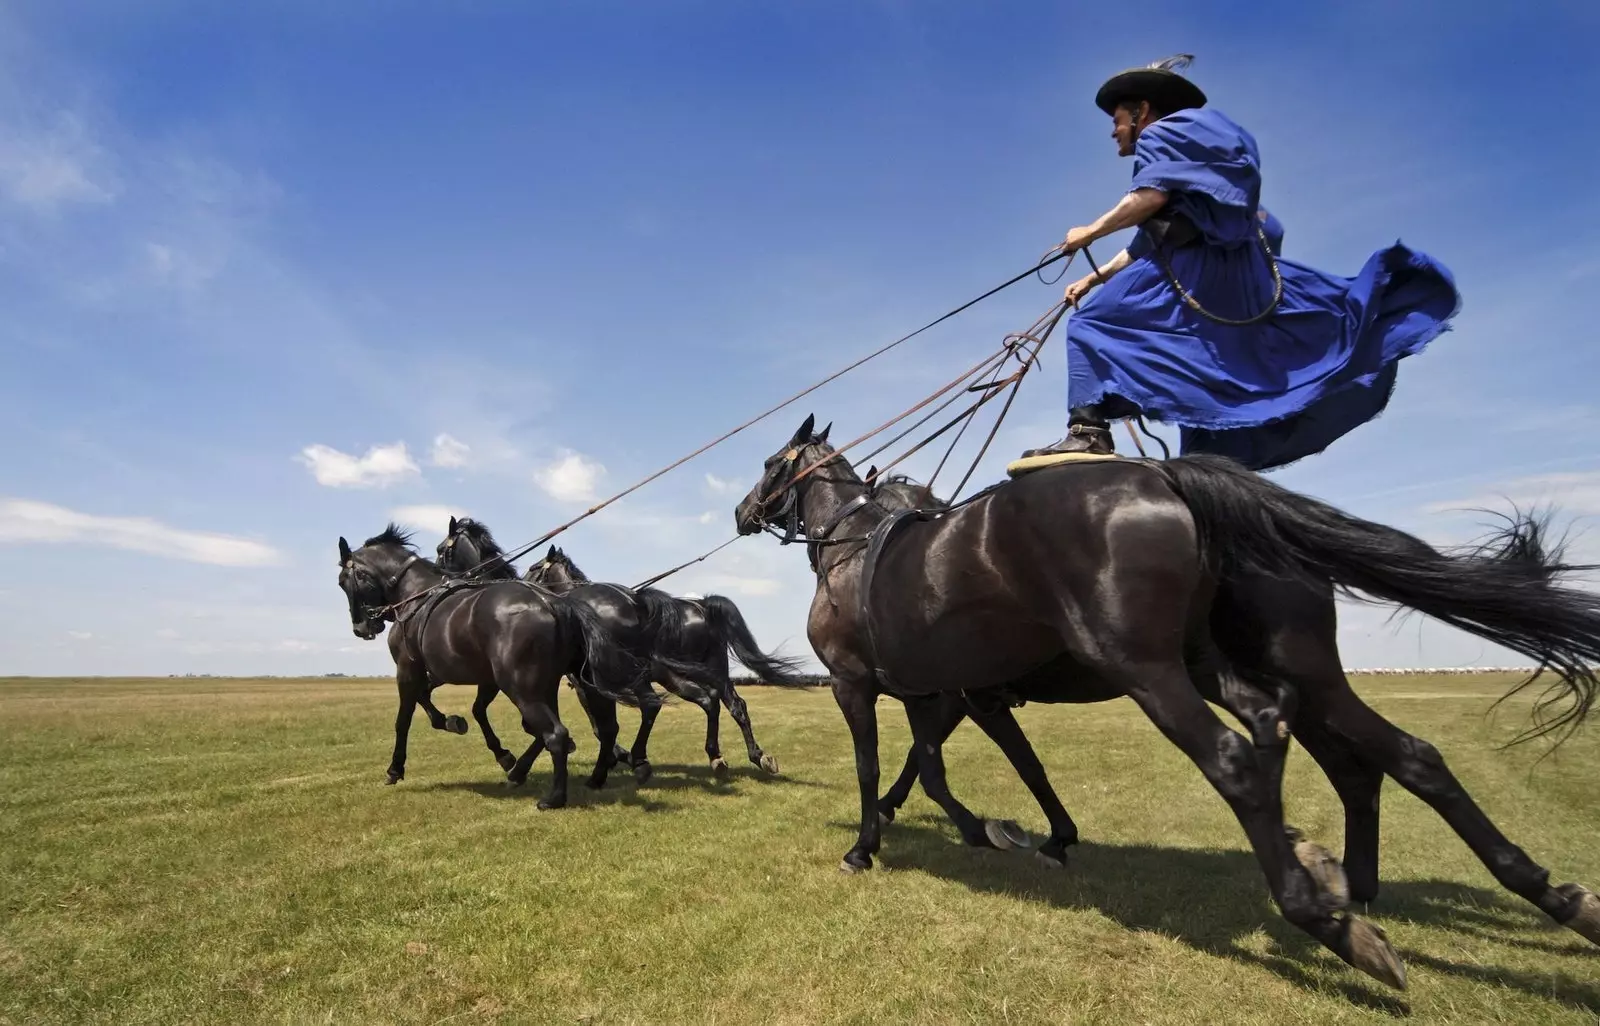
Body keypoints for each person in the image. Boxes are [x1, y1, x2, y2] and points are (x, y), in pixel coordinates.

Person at [1022, 55, 1460, 471]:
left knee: (1093, 325)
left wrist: (1089, 232)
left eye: (1117, 120)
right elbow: (1148, 240)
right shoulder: (1193, 150)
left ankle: (1088, 432)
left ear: (1142, 111)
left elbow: (1147, 199)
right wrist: (1092, 277)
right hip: (1230, 277)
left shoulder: (1162, 135)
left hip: (1201, 275)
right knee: (1190, 371)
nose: (1114, 132)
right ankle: (1210, 464)